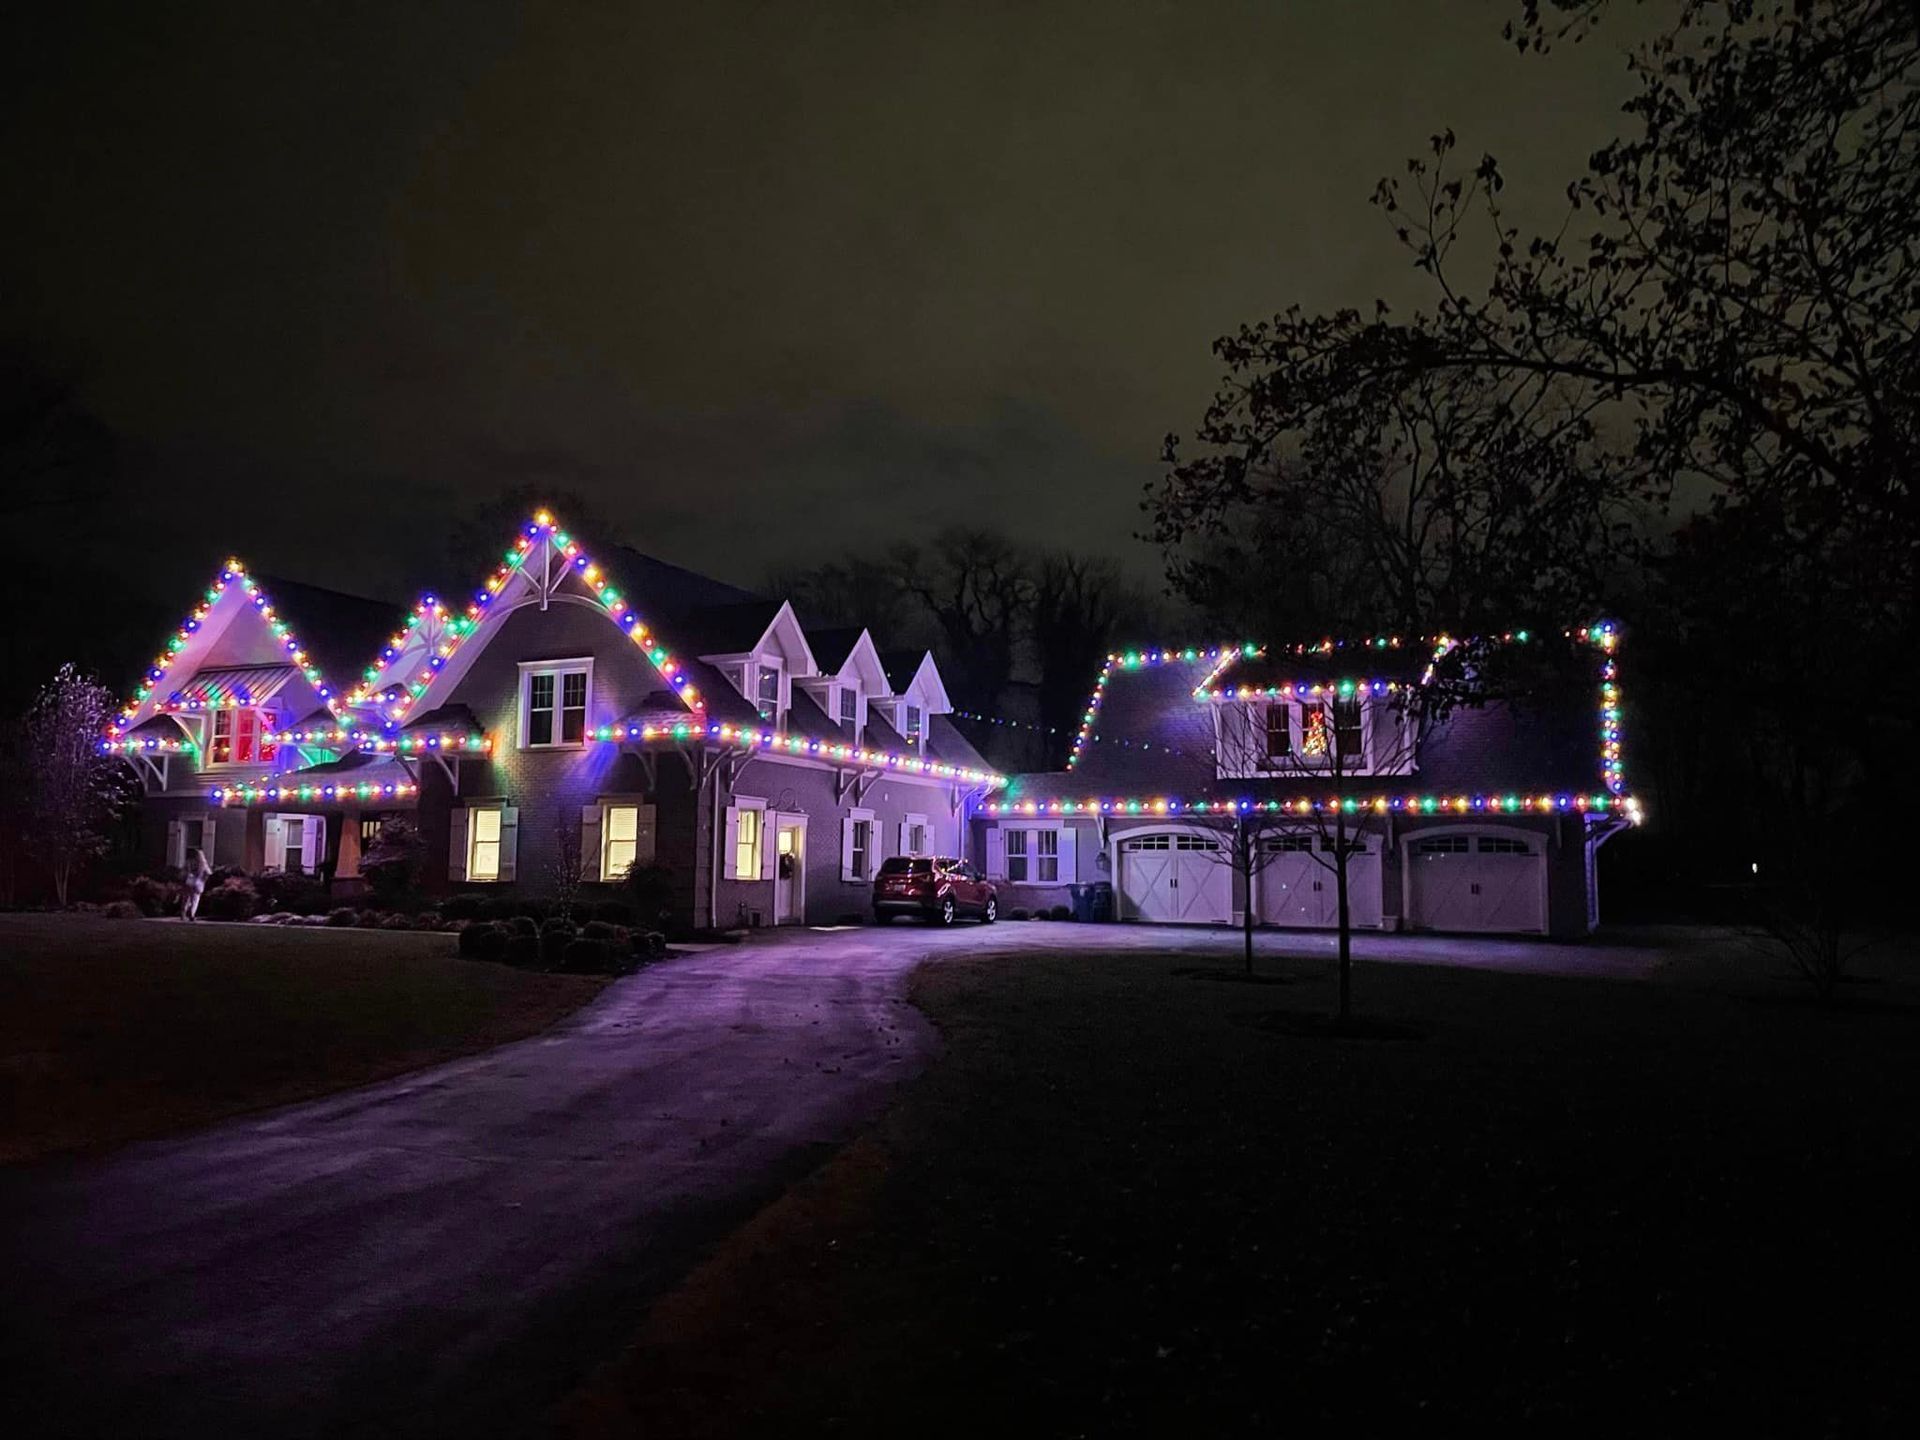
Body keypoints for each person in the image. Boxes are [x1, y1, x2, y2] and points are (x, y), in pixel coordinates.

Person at [181, 846, 210, 921]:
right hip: (198, 883)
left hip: (189, 881)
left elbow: (183, 871)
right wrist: (203, 880)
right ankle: (192, 914)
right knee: (195, 899)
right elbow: (208, 873)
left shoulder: (188, 862)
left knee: (186, 898)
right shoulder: (203, 863)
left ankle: (183, 913)